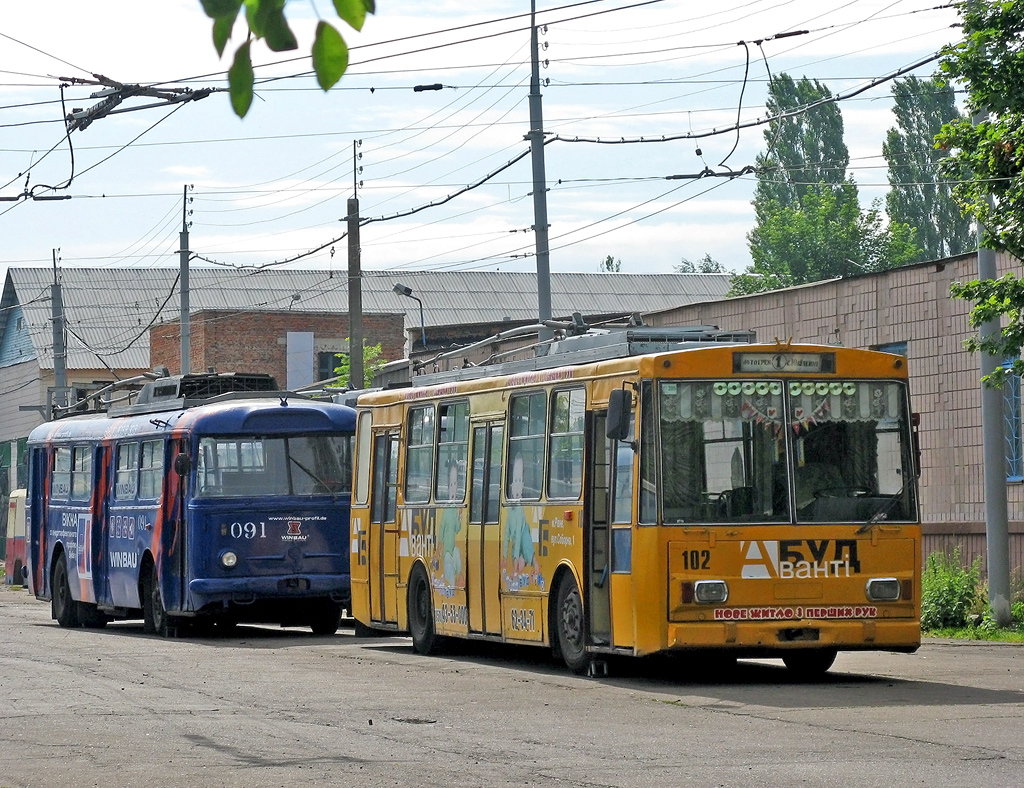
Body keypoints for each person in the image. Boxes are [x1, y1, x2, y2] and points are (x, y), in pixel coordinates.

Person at [502, 453, 540, 585]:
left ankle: (535, 567)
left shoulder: (519, 510)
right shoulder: (509, 510)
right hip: (516, 540)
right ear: (510, 485)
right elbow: (507, 534)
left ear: (523, 485)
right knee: (516, 556)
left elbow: (518, 537)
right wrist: (504, 556)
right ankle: (517, 569)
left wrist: (515, 568)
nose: (517, 485)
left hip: (523, 533)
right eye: (514, 481)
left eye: (519, 481)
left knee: (527, 547)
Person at [435, 461, 464, 589]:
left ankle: (460, 576)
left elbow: (457, 529)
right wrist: (439, 548)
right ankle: (453, 583)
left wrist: (460, 515)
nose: (453, 488)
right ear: (447, 487)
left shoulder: (455, 508)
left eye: (455, 484)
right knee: (447, 563)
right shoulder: (446, 510)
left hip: (453, 549)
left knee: (457, 553)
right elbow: (441, 530)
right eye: (451, 484)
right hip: (446, 551)